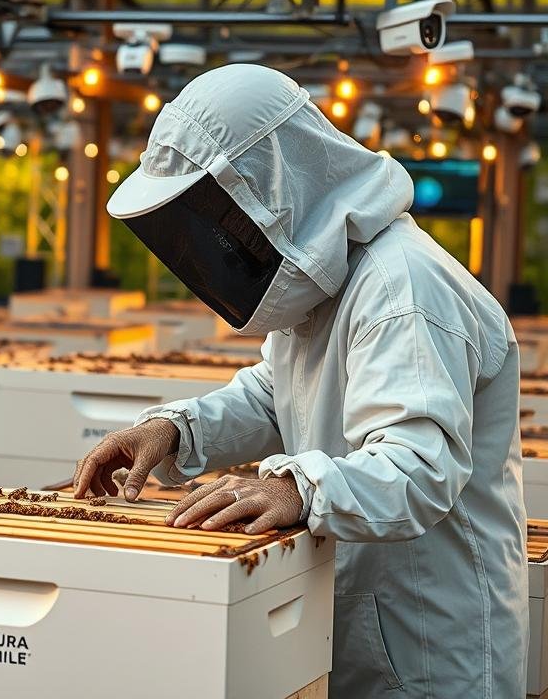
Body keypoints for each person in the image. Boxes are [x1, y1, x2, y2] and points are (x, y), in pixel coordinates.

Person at [72, 64, 527, 697]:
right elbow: (275, 394)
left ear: (267, 189)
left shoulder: (404, 289)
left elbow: (418, 468)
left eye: (216, 219)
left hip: (428, 648)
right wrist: (175, 431)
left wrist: (294, 486)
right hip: (358, 619)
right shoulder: (329, 283)